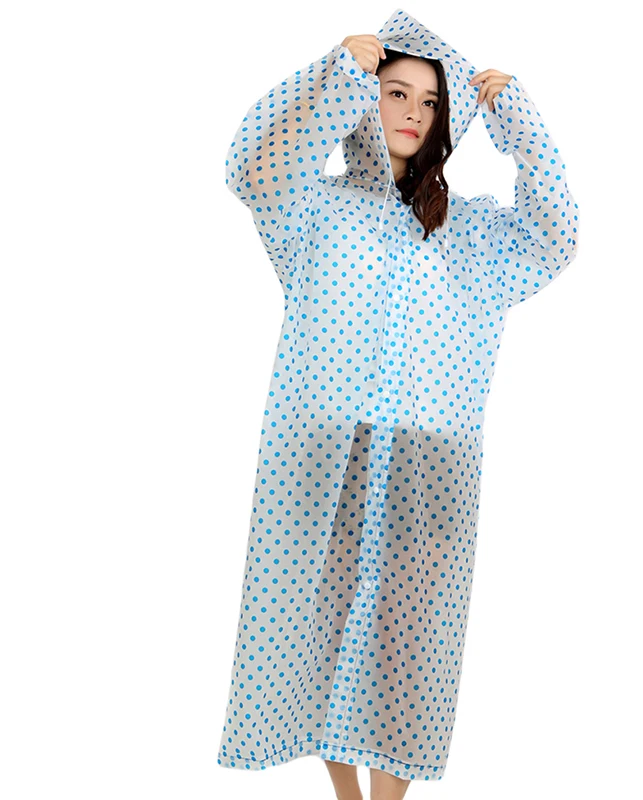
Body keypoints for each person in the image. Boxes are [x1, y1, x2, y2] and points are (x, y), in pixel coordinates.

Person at [218, 9, 579, 797]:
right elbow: (253, 165)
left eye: (431, 101)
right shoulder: (311, 211)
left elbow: (556, 238)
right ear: (367, 100)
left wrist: (522, 127)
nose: (414, 111)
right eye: (395, 93)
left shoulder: (473, 234)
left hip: (429, 464)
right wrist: (334, 75)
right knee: (320, 632)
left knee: (407, 647)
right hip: (327, 453)